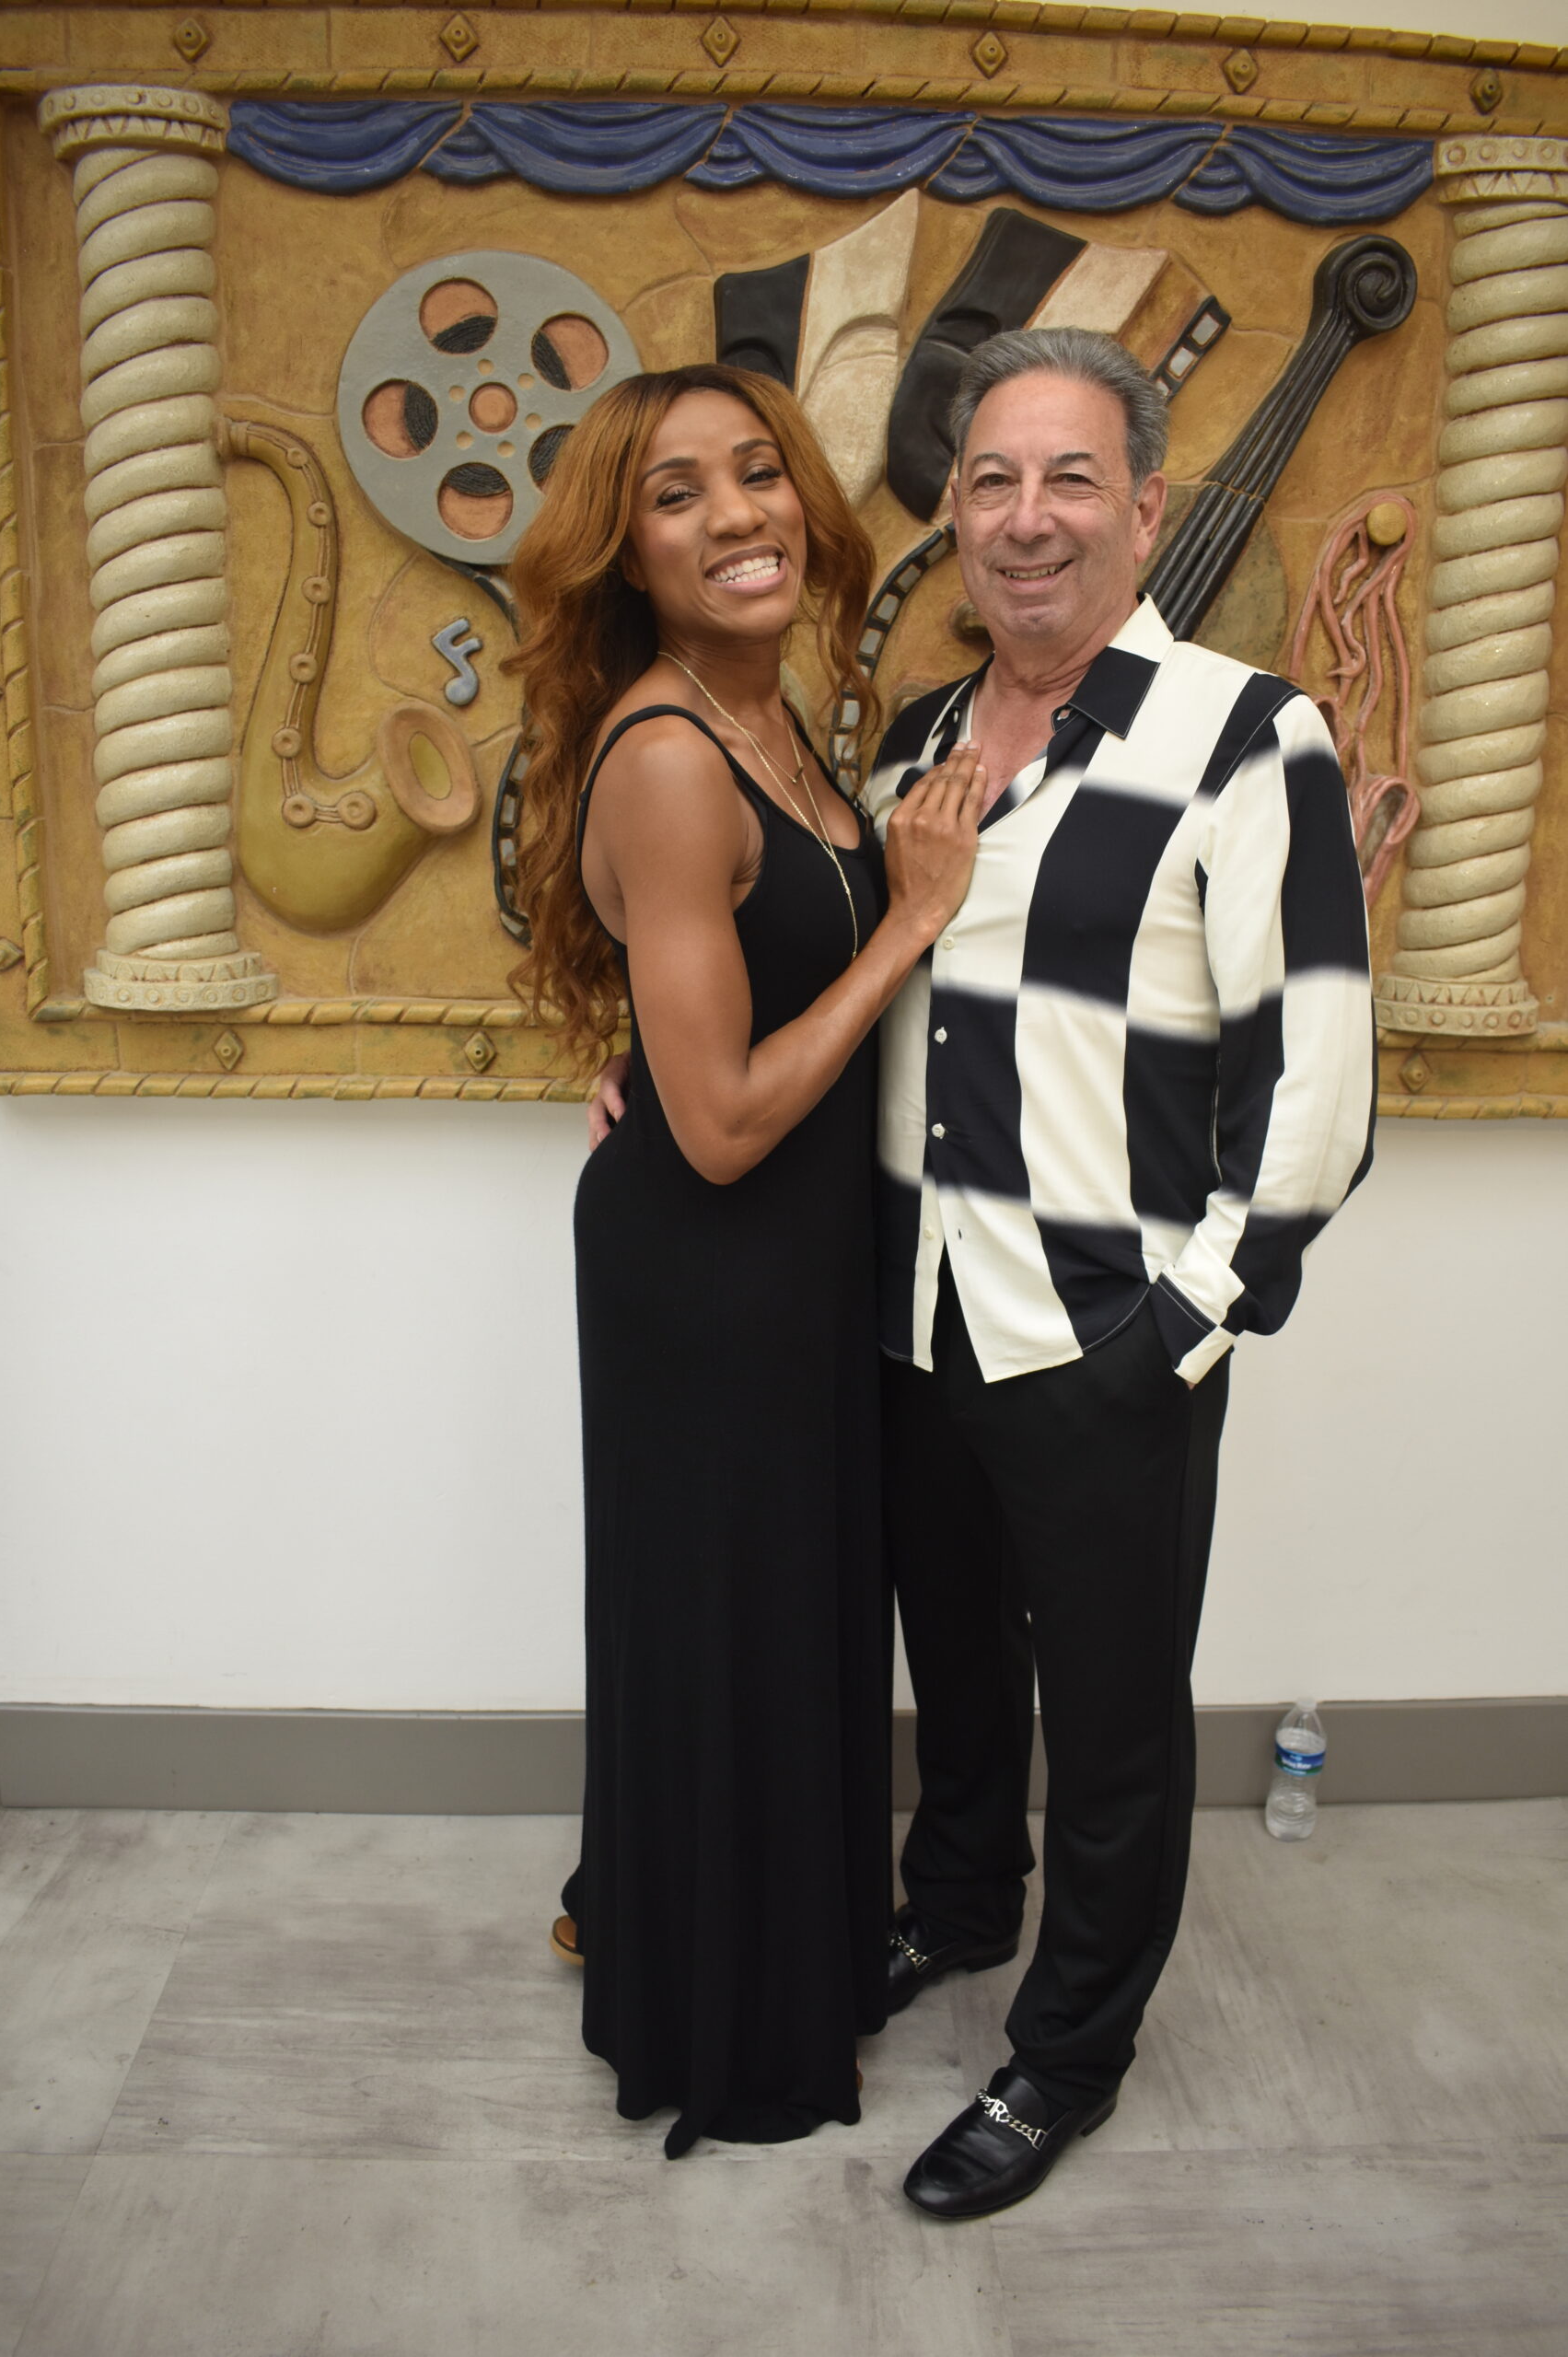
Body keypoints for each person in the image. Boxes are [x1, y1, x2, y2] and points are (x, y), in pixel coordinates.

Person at [864, 326, 1376, 2220]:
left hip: (1102, 1335)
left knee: (1111, 1706)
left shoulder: (1247, 734)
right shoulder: (915, 743)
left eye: (1069, 478)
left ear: (1144, 509)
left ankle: (1064, 2048)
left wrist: (1186, 1321)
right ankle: (952, 1909)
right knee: (956, 1675)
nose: (1026, 517)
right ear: (951, 515)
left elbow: (1315, 1067)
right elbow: (852, 1002)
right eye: (991, 480)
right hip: (922, 1316)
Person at [508, 362, 983, 2156]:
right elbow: (712, 1122)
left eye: (759, 472)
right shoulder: (663, 752)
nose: (737, 513)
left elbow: (725, 993)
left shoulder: (777, 718)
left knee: (781, 1621)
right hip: (704, 1261)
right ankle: (713, 2000)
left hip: (785, 1254)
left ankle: (677, 1911)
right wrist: (912, 923)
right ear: (624, 552)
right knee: (723, 1625)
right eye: (678, 492)